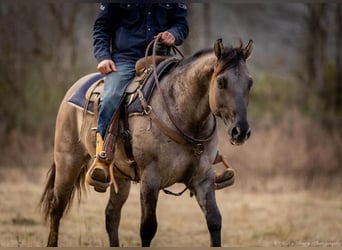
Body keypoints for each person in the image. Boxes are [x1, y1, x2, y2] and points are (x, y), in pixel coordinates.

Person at [86, 3, 235, 193]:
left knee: (194, 94)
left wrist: (174, 33)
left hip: (162, 59)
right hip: (125, 60)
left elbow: (181, 24)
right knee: (111, 97)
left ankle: (206, 161)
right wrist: (103, 57)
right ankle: (102, 157)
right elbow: (102, 28)